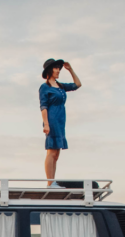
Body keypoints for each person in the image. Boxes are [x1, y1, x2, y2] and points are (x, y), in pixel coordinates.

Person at [39, 59, 81, 187]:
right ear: (49, 71)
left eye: (59, 68)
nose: (58, 70)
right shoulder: (45, 87)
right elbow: (43, 106)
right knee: (51, 151)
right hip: (51, 119)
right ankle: (50, 183)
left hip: (61, 120)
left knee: (56, 153)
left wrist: (70, 69)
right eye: (56, 68)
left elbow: (77, 84)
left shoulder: (61, 86)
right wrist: (46, 123)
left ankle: (53, 182)